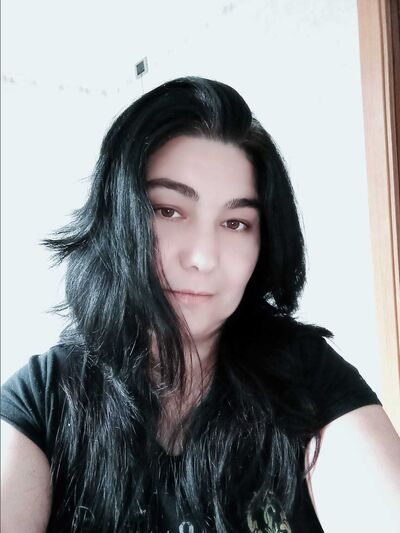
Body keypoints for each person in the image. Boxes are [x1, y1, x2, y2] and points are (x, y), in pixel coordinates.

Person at [1, 76, 399, 533]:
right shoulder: (44, 398)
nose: (204, 258)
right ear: (116, 217)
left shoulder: (309, 379)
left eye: (235, 222)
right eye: (169, 210)